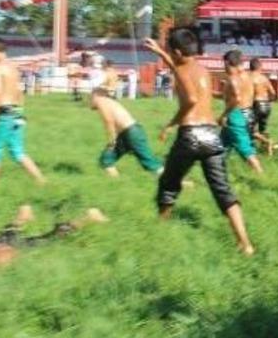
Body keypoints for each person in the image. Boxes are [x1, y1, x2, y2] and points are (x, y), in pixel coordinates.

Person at [144, 32, 254, 256]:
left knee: (168, 183)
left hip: (190, 135)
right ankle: (245, 243)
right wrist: (161, 52)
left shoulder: (181, 71)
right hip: (212, 135)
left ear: (177, 52)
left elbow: (191, 98)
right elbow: (179, 68)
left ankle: (159, 230)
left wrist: (171, 124)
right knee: (223, 191)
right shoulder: (203, 70)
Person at [0, 38, 47, 185]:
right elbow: (19, 91)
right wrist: (20, 111)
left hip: (4, 112)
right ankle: (41, 180)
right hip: (16, 110)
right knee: (18, 152)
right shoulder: (12, 67)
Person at [90, 88, 162, 178]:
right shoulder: (108, 101)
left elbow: (109, 121)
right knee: (106, 160)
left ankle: (174, 182)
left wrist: (111, 142)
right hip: (127, 133)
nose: (89, 100)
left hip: (132, 133)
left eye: (91, 96)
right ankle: (115, 183)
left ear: (95, 95)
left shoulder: (100, 101)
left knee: (149, 162)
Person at [220, 50, 264, 173]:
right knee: (222, 145)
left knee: (245, 149)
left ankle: (260, 174)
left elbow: (236, 99)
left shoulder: (233, 79)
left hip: (235, 114)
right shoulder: (248, 76)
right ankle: (216, 169)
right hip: (248, 112)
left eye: (224, 64)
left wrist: (224, 115)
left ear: (229, 63)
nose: (224, 68)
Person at [249, 58, 276, 139]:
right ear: (259, 67)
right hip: (266, 105)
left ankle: (255, 146)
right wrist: (270, 101)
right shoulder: (264, 78)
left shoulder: (249, 77)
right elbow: (273, 93)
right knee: (263, 129)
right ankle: (266, 147)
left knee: (251, 129)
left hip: (256, 104)